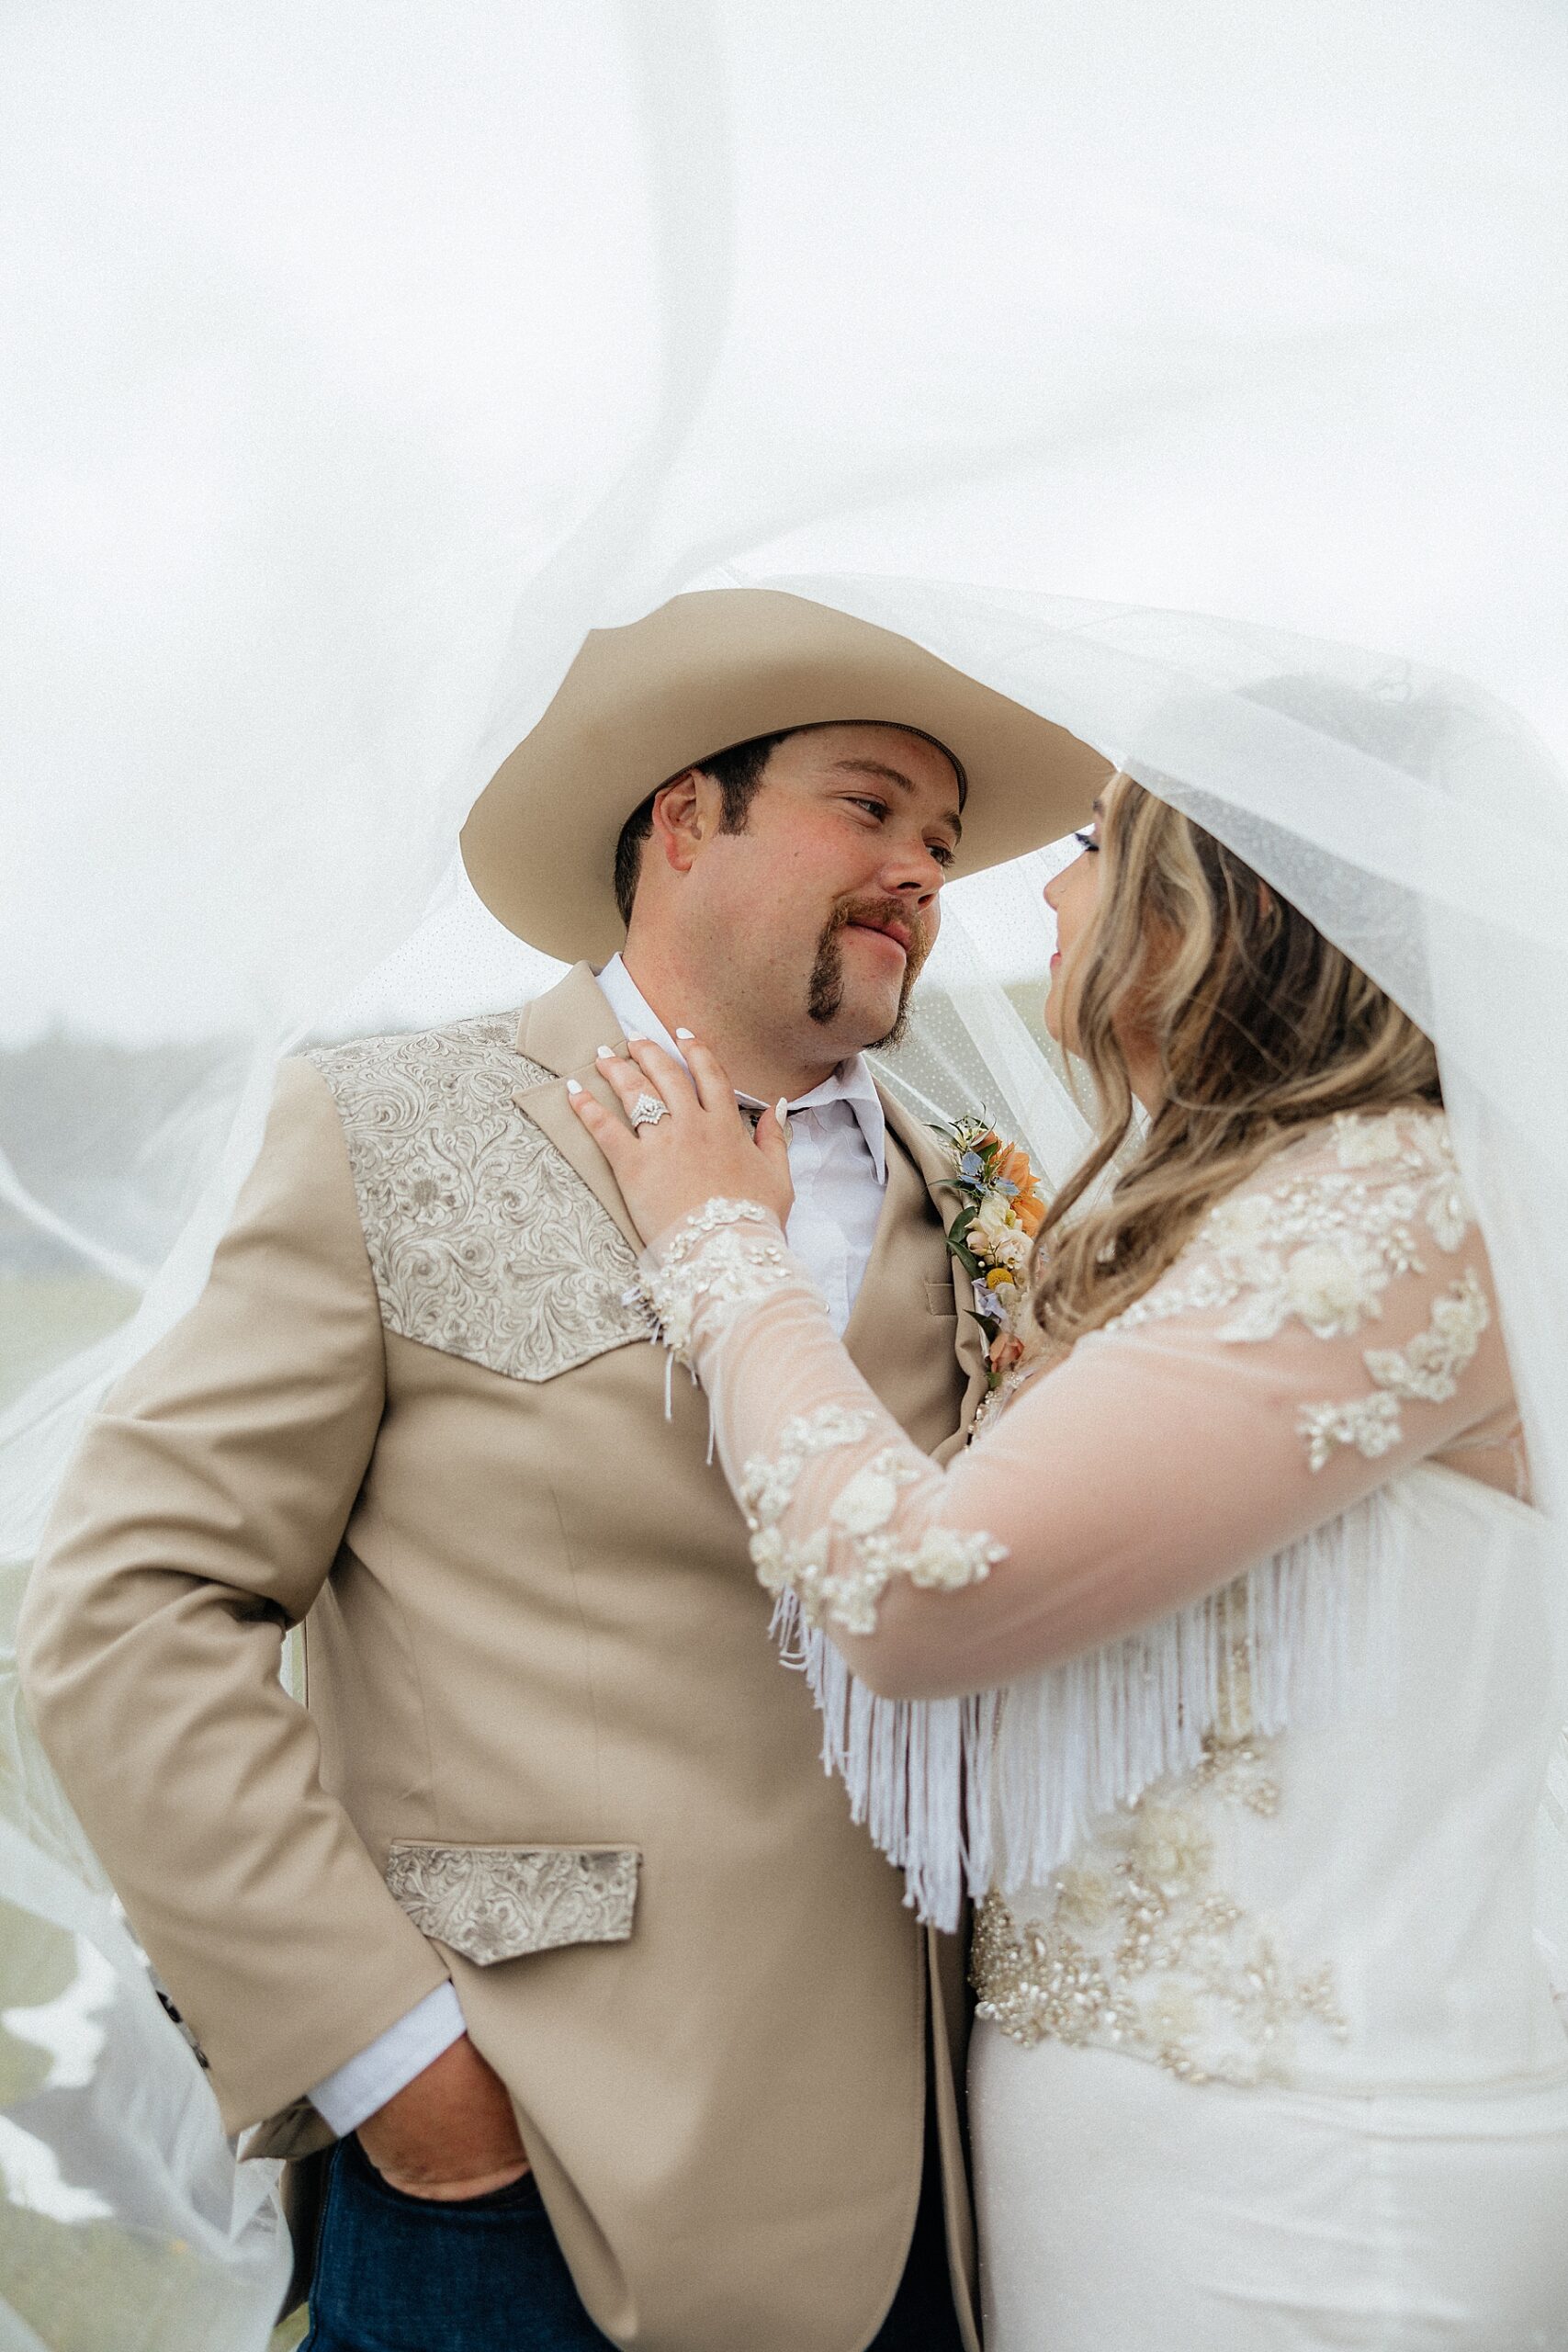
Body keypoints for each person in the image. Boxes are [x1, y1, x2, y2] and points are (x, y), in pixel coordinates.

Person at [16, 586, 1106, 2352]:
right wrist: (399, 2074)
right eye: (869, 805)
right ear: (686, 818)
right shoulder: (384, 1130)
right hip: (522, 2190)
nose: (921, 867)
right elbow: (128, 1612)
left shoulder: (986, 1192)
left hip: (929, 2200)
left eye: (945, 841)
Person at [574, 768, 1568, 2349]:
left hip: (1316, 2182)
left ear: (1235, 903)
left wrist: (720, 1245)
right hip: (1117, 2172)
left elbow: (914, 1588)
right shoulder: (1240, 1205)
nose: (1040, 892)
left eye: (1098, 848)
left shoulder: (1401, 1203)